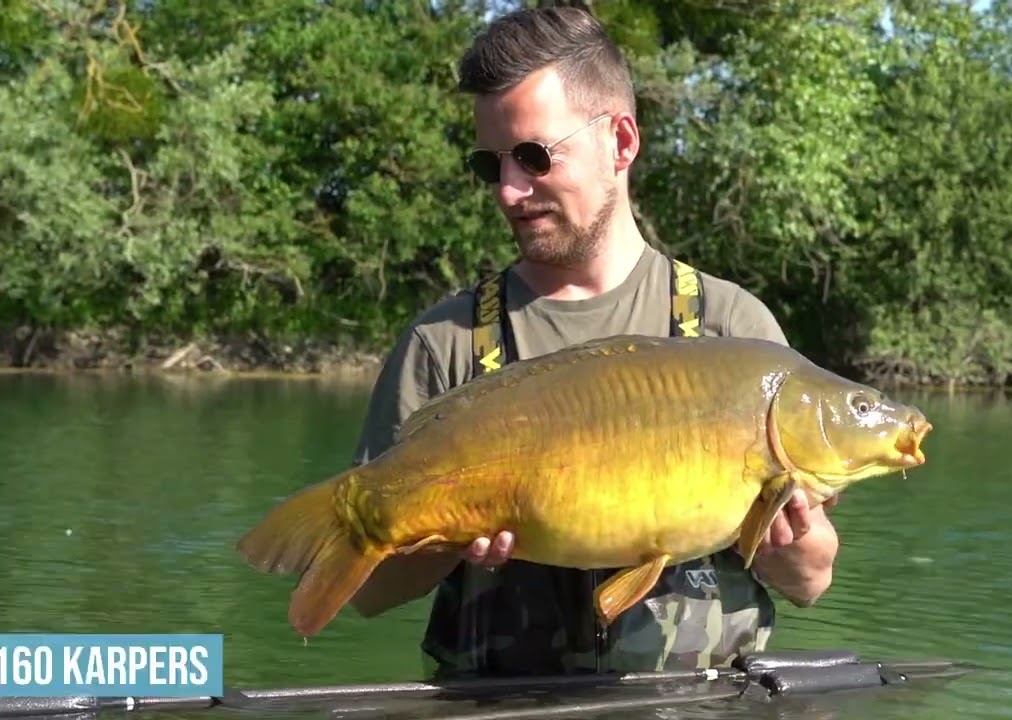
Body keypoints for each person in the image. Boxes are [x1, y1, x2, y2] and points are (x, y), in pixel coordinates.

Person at [348, 5, 840, 679]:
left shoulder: (733, 330)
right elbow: (366, 593)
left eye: (533, 157)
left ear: (622, 142)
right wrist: (447, 535)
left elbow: (811, 581)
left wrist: (786, 537)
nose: (511, 191)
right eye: (489, 166)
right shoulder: (447, 341)